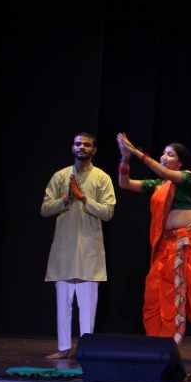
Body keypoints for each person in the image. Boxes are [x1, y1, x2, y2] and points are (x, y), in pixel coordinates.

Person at [115, 133, 191, 364]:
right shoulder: (158, 185)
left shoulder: (187, 177)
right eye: (163, 153)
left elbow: (164, 173)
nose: (164, 157)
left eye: (170, 154)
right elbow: (125, 184)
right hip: (168, 245)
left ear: (180, 162)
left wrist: (139, 154)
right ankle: (162, 346)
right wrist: (126, 158)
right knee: (156, 293)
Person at [41, 132, 116, 359]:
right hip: (64, 251)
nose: (82, 147)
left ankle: (86, 349)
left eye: (87, 144)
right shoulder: (60, 176)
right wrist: (66, 199)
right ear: (72, 148)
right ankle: (64, 348)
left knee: (87, 307)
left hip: (89, 251)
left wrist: (83, 198)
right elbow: (45, 209)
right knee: (63, 305)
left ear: (94, 150)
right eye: (78, 144)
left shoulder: (102, 178)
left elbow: (108, 212)